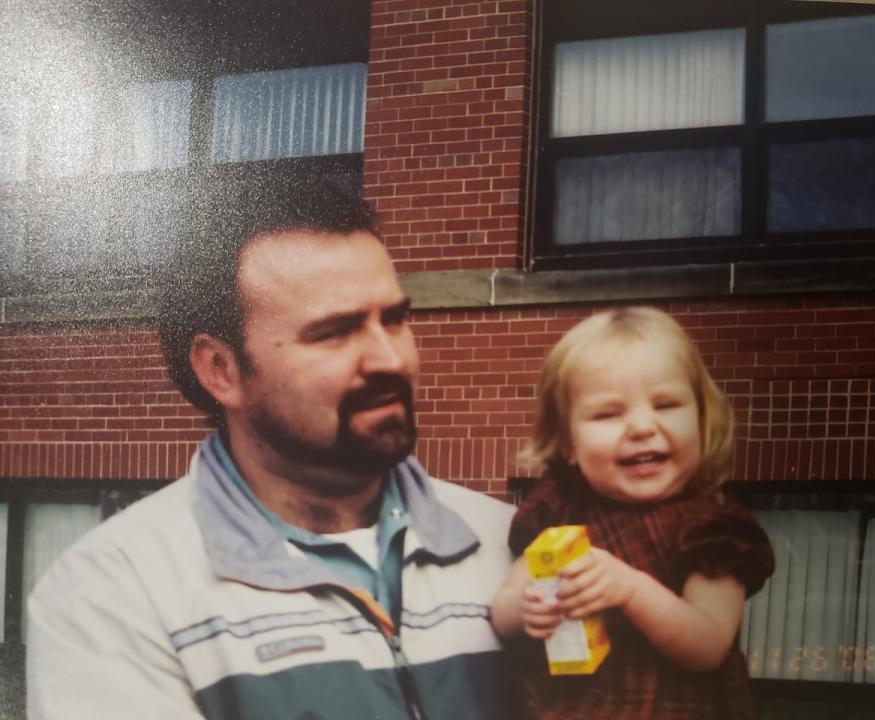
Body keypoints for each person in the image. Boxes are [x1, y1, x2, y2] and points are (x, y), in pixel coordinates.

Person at [27, 181, 517, 720]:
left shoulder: (511, 545)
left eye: (394, 320)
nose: (390, 360)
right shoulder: (114, 595)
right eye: (334, 332)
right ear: (220, 369)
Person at [491, 307, 775, 719]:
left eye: (666, 404)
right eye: (608, 414)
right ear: (568, 442)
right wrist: (527, 608)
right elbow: (503, 606)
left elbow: (708, 644)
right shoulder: (560, 514)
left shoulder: (711, 528)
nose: (642, 426)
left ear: (701, 418)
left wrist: (629, 589)